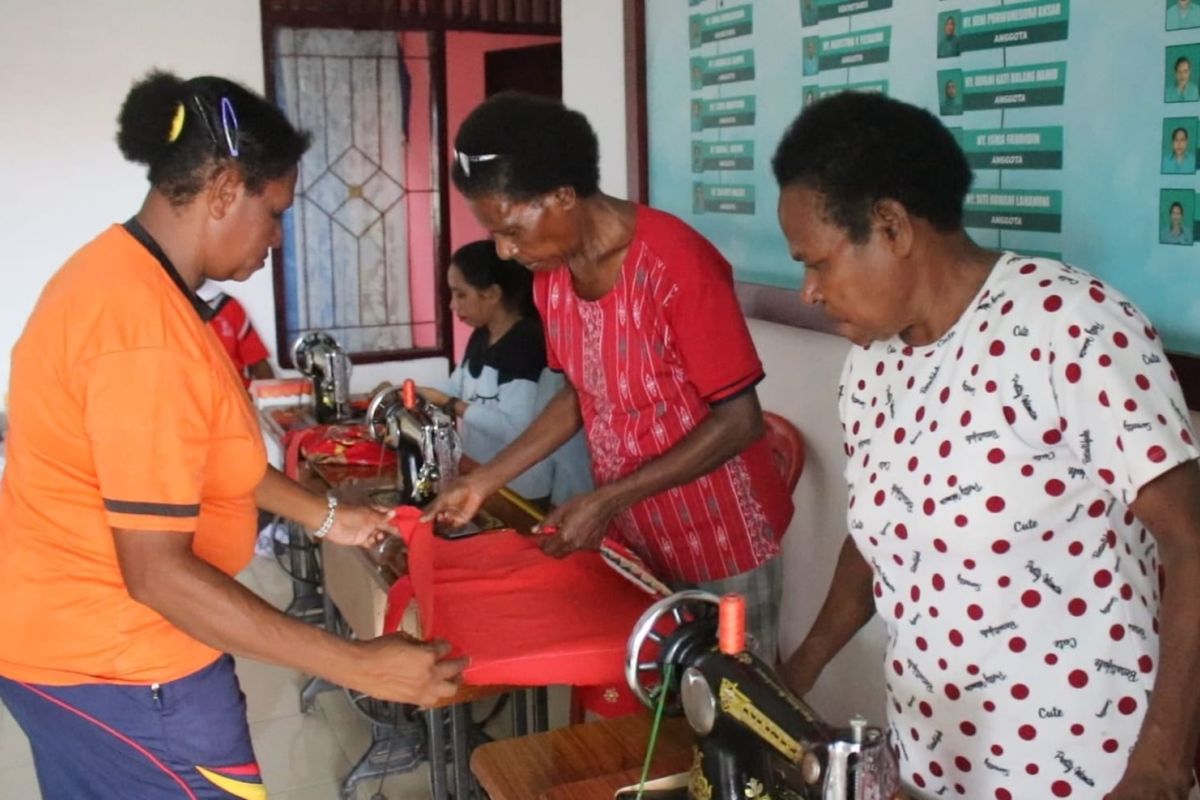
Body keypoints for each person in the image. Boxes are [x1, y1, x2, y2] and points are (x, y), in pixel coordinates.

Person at [0, 71, 465, 800]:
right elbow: (157, 573)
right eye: (274, 210)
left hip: (86, 649)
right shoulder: (140, 332)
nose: (278, 238)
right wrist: (359, 665)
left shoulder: (133, 281)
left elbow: (213, 456)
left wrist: (333, 517)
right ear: (221, 188)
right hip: (122, 670)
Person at [772, 92, 1200, 799]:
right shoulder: (872, 367)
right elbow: (881, 533)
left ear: (891, 226)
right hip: (930, 769)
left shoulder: (1071, 327)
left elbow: (1192, 541)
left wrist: (1159, 766)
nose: (809, 291)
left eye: (816, 263)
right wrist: (800, 668)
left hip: (1089, 775)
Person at [429, 92, 794, 660]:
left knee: (734, 720)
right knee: (658, 714)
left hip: (722, 539)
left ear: (562, 195)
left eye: (510, 229)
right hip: (639, 536)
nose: (503, 249)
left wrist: (605, 500)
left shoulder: (676, 264)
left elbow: (740, 421)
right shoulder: (553, 276)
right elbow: (582, 391)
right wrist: (483, 481)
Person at [417, 240, 593, 505]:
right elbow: (456, 385)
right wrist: (409, 391)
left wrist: (452, 405)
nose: (453, 305)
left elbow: (517, 430)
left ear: (492, 294)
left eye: (461, 294)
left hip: (520, 488)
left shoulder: (526, 344)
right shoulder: (483, 335)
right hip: (482, 474)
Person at [198, 281, 275, 387]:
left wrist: (269, 398)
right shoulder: (173, 306)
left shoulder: (228, 305)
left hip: (234, 394)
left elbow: (258, 363)